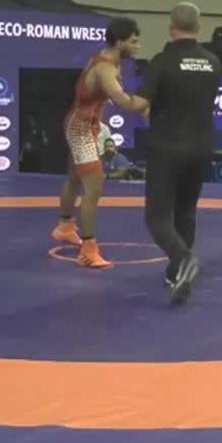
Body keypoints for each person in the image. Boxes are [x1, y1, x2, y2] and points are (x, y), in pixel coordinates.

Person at [135, 2, 222, 303]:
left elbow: (140, 104)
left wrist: (116, 95)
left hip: (167, 147)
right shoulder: (213, 62)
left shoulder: (163, 61)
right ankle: (176, 273)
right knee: (186, 211)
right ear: (198, 27)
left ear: (171, 28)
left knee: (157, 216)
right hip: (200, 147)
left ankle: (184, 258)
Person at [52, 18, 150, 269]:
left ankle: (65, 226)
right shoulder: (105, 68)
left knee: (74, 178)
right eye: (133, 42)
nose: (138, 46)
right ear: (119, 42)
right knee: (94, 187)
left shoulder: (109, 60)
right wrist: (151, 103)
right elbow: (123, 101)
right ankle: (88, 250)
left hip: (86, 125)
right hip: (81, 129)